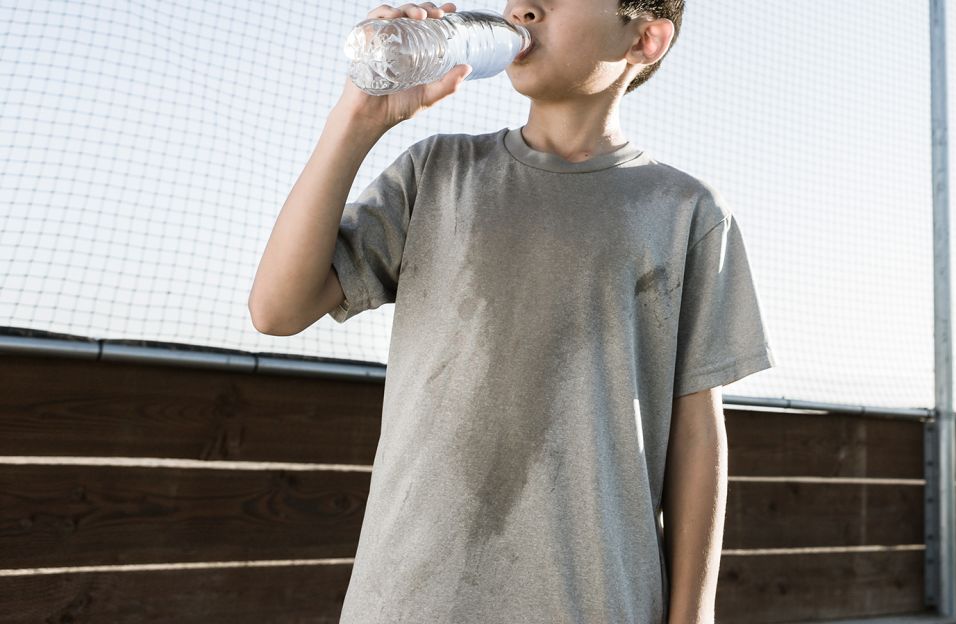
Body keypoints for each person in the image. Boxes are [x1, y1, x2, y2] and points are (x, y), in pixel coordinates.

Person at [248, 1, 775, 622]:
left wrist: (693, 615)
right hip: (411, 598)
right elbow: (276, 309)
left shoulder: (686, 211)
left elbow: (696, 435)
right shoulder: (437, 172)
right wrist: (357, 120)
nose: (523, 7)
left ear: (646, 39)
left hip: (596, 600)